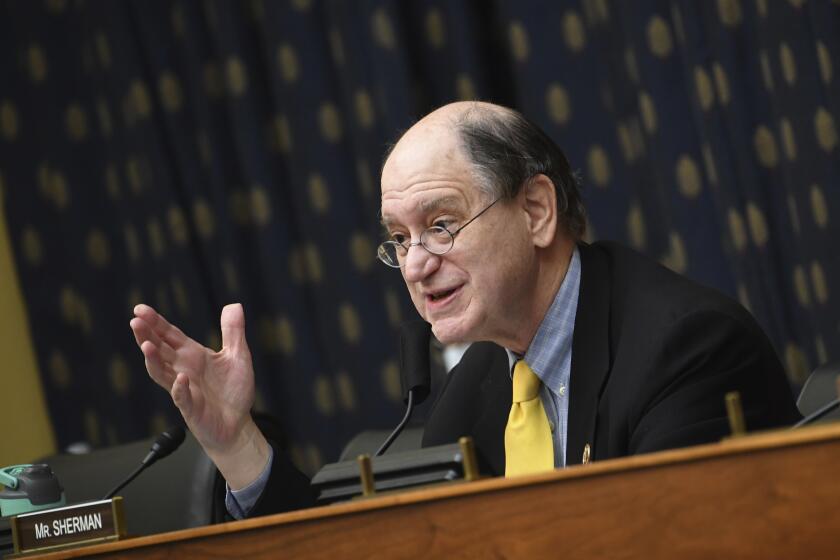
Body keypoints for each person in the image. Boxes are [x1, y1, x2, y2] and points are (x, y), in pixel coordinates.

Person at [130, 101, 800, 518]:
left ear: (537, 211)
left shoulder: (683, 353)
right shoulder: (475, 391)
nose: (416, 263)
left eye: (441, 224)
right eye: (399, 239)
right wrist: (236, 443)